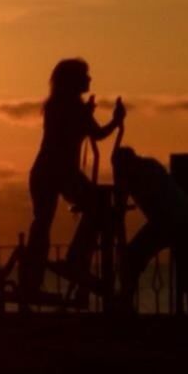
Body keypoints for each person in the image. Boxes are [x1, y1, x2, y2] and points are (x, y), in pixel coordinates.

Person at [21, 58, 125, 295]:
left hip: (47, 172)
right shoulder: (73, 108)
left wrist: (89, 115)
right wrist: (116, 121)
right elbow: (96, 134)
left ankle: (32, 281)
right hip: (59, 173)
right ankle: (74, 261)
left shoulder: (58, 105)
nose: (89, 79)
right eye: (85, 75)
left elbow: (80, 131)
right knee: (99, 208)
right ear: (73, 80)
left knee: (41, 225)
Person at [112, 147, 188, 314]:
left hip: (175, 220)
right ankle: (127, 302)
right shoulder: (144, 169)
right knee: (187, 269)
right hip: (173, 220)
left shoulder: (145, 171)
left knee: (187, 269)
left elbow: (154, 200)